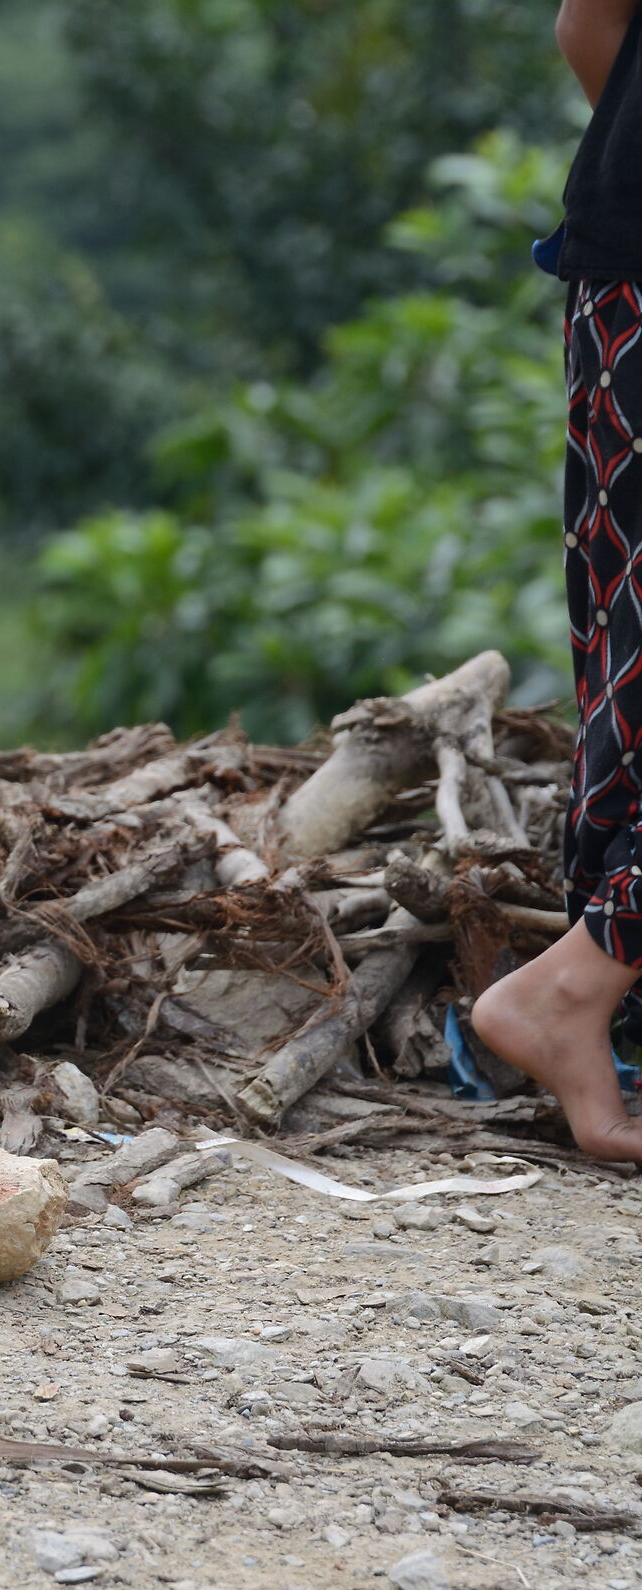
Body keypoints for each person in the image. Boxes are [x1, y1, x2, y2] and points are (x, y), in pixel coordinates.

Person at [472, 1, 642, 1159]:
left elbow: (593, 25)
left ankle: (591, 984)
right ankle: (575, 985)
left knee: (633, 667)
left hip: (627, 274)